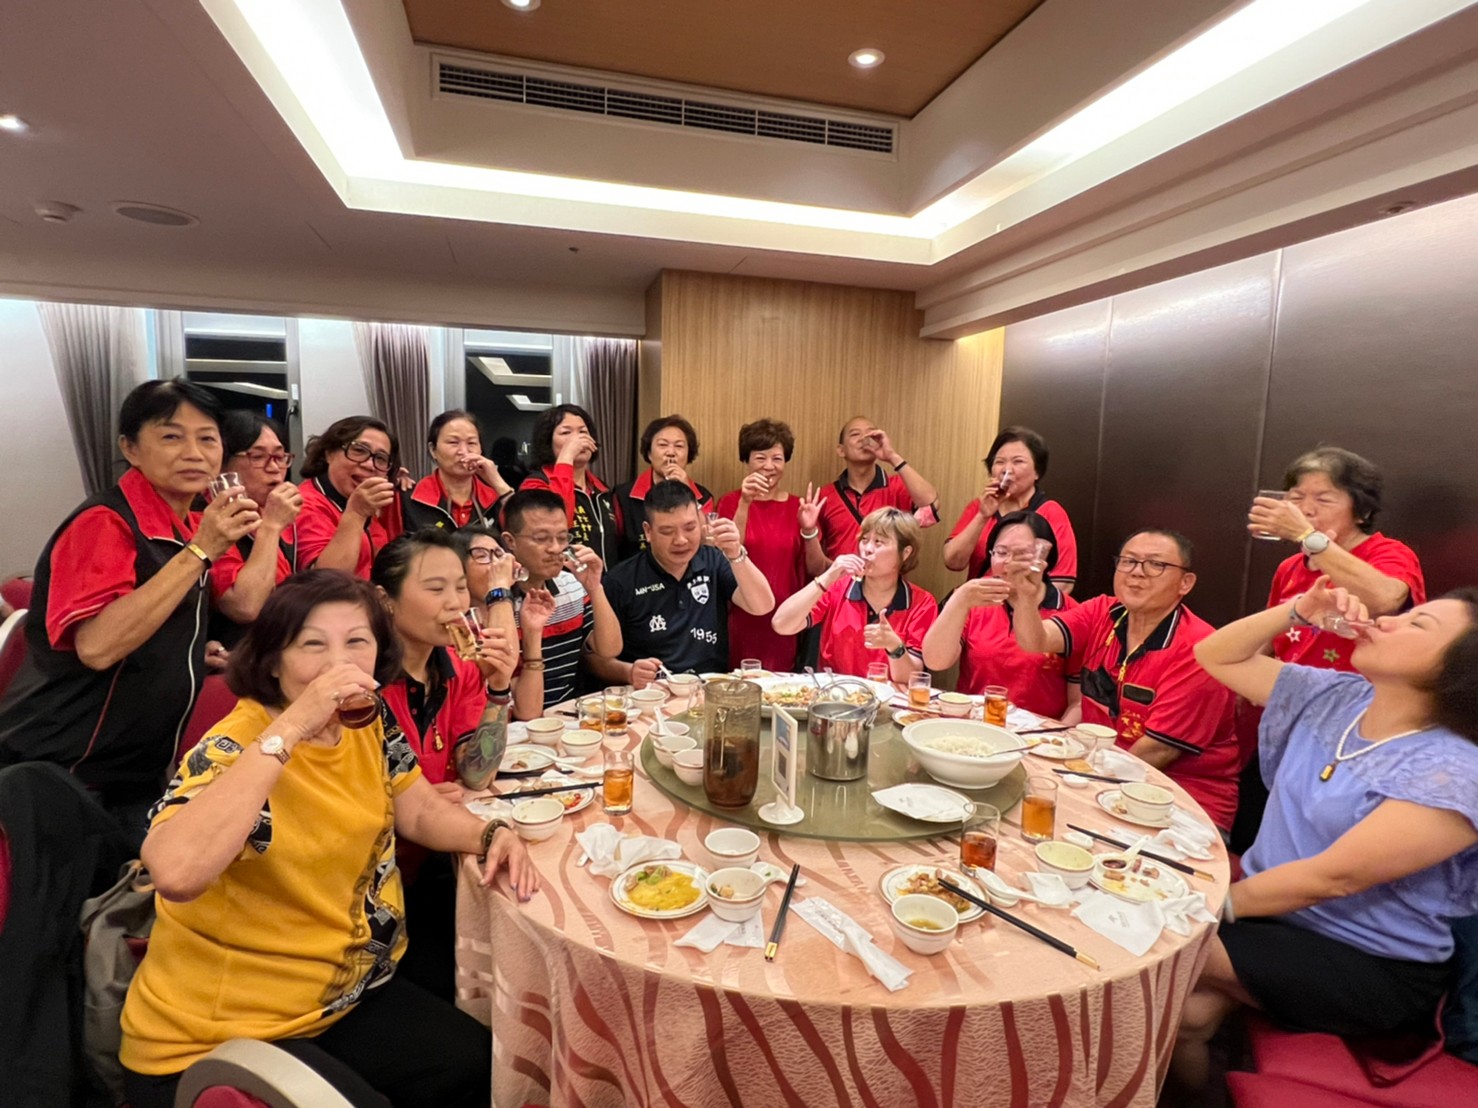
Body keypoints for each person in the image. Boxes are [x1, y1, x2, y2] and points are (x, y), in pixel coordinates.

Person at [118, 571, 538, 1108]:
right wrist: (292, 728)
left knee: (474, 1063)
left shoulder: (366, 720)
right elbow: (175, 873)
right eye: (312, 644)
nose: (339, 663)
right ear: (273, 660)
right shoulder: (238, 746)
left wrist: (490, 832)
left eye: (357, 641)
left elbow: (418, 808)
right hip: (221, 1036)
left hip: (340, 995)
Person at [1171, 578, 1478, 1097]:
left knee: (1164, 952)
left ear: (1459, 671)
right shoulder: (1337, 697)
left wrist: (1201, 907)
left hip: (1369, 959)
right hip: (1275, 914)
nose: (1386, 619)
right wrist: (1299, 608)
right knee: (1187, 1016)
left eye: (1417, 623)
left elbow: (1332, 878)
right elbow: (1215, 655)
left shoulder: (1454, 770)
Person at [0, 379, 258, 844]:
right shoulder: (105, 522)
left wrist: (182, 652)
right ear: (130, 448)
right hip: (65, 770)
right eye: (171, 436)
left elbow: (238, 605)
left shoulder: (187, 522)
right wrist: (202, 551)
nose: (194, 453)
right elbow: (97, 646)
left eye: (207, 438)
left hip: (133, 771)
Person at [371, 529, 522, 1000]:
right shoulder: (362, 683)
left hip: (438, 865)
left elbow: (476, 773)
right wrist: (402, 801)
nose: (455, 603)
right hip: (373, 885)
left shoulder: (456, 666)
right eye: (435, 588)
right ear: (385, 600)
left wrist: (499, 689)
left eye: (459, 586)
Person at [1010, 529, 1241, 832]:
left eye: (1156, 564)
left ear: (1185, 582)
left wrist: (1083, 792)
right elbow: (1035, 641)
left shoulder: (1198, 649)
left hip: (1183, 802)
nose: (1137, 573)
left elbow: (1156, 751)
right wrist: (1027, 599)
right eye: (1128, 561)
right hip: (1105, 778)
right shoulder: (1103, 611)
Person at [1248, 445, 1425, 673]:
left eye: (1323, 500)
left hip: (1361, 691)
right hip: (1292, 687)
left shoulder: (1389, 552)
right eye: (1296, 498)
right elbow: (1271, 631)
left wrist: (1307, 536)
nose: (1306, 509)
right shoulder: (1289, 566)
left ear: (1363, 513)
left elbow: (1384, 601)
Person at [592, 482, 774, 687]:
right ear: (648, 531)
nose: (680, 540)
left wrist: (735, 553)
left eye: (689, 528)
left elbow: (762, 606)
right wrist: (628, 672)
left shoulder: (713, 561)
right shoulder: (621, 580)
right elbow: (594, 658)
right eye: (667, 531)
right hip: (651, 694)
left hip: (710, 689)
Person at [923, 511, 1082, 720]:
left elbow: (1078, 703)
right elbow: (935, 661)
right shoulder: (975, 597)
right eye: (1001, 552)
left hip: (1037, 733)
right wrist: (959, 599)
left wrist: (1054, 737)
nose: (1009, 562)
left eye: (1022, 554)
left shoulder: (1071, 612)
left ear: (1044, 559)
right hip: (974, 725)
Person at [772, 508, 939, 682]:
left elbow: (910, 679)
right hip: (836, 693)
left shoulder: (922, 603)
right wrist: (827, 576)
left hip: (889, 696)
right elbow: (781, 624)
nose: (867, 549)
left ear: (905, 553)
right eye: (864, 540)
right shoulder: (837, 588)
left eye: (879, 542)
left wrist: (894, 646)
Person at [494, 490, 621, 715]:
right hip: (513, 720)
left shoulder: (571, 584)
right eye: (541, 538)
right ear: (510, 541)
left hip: (566, 713)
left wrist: (595, 587)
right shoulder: (498, 599)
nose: (555, 548)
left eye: (562, 538)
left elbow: (609, 649)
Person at [715, 419, 829, 671]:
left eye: (777, 458)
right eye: (760, 458)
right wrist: (745, 502)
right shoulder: (730, 502)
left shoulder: (799, 507)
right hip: (741, 614)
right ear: (746, 460)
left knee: (783, 686)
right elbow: (728, 553)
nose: (769, 466)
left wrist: (809, 530)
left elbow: (815, 569)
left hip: (787, 615)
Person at [943, 426, 1079, 591]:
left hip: (1028, 604)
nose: (1007, 470)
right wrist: (982, 516)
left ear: (1037, 471)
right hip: (980, 602)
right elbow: (953, 562)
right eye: (1000, 462)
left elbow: (1064, 582)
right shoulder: (978, 507)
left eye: (1018, 461)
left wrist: (1020, 603)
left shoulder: (1051, 512)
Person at [210, 411, 303, 642]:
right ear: (222, 464)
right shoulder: (207, 516)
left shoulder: (270, 510)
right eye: (258, 457)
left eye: (280, 457)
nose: (275, 468)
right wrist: (271, 526)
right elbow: (245, 606)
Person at [815, 417, 939, 560]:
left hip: (888, 574)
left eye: (870, 434)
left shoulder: (897, 486)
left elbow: (931, 503)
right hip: (839, 574)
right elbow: (813, 555)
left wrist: (892, 456)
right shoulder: (825, 495)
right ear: (841, 450)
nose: (864, 439)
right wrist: (837, 570)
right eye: (855, 434)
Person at [296, 416, 402, 579]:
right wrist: (356, 513)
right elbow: (326, 581)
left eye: (381, 458)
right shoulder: (305, 504)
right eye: (359, 450)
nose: (369, 465)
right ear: (329, 454)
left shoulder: (371, 501)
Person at [519, 403, 621, 569]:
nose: (577, 439)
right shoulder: (536, 484)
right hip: (562, 579)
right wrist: (566, 457)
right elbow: (557, 521)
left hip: (603, 580)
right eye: (566, 433)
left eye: (583, 432)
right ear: (547, 441)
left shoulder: (601, 488)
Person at [612, 415, 715, 560]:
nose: (671, 453)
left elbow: (706, 540)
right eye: (662, 445)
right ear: (649, 453)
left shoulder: (703, 497)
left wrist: (688, 491)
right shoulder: (623, 495)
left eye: (679, 446)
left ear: (688, 454)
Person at [406, 409, 513, 531]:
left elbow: (520, 533)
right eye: (453, 442)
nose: (463, 451)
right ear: (433, 450)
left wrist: (500, 485)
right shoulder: (412, 499)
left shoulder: (495, 499)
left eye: (471, 443)